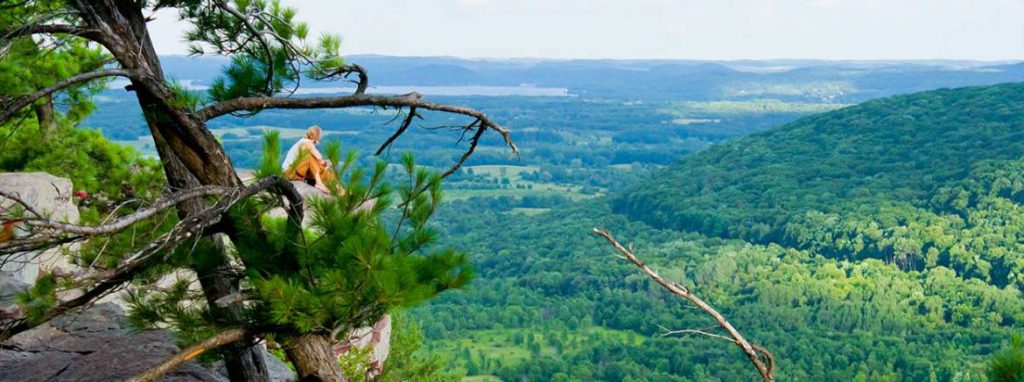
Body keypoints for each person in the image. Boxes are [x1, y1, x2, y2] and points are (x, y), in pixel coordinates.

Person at [282, 126, 340, 195]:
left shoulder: (305, 142)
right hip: (289, 172)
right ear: (317, 136)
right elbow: (318, 157)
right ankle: (319, 183)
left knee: (323, 169)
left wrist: (323, 164)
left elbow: (318, 160)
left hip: (296, 171)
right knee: (309, 157)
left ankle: (340, 189)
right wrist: (324, 162)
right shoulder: (305, 143)